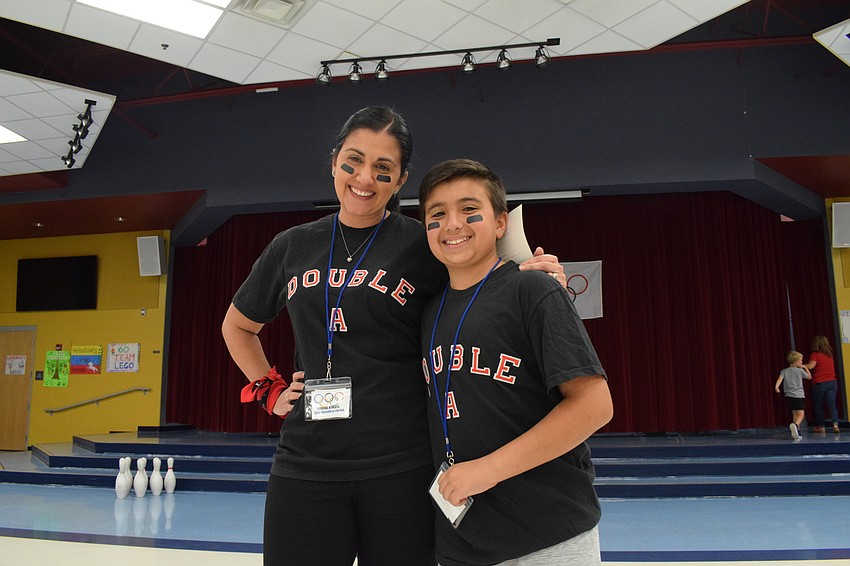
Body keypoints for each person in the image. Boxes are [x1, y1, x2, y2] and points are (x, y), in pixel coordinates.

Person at [221, 107, 566, 566]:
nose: (364, 177)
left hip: (401, 465)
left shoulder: (423, 241)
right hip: (306, 463)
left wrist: (540, 273)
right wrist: (269, 388)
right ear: (334, 162)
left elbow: (491, 272)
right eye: (353, 161)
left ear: (401, 179)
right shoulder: (292, 245)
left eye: (383, 169)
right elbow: (238, 326)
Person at [418, 159, 613, 565]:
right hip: (462, 542)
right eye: (438, 214)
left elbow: (594, 405)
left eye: (470, 210)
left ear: (501, 223)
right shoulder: (428, 310)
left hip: (547, 535)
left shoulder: (533, 289)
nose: (453, 223)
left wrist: (486, 470)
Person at [805, 335, 841, 433]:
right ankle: (835, 425)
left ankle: (821, 426)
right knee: (832, 405)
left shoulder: (815, 354)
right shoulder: (829, 354)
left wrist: (801, 365)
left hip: (819, 383)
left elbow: (811, 366)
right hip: (832, 382)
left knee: (818, 406)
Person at [775, 350, 812, 440]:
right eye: (801, 361)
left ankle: (796, 431)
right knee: (801, 414)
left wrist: (777, 387)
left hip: (788, 395)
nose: (802, 362)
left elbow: (780, 379)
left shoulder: (784, 371)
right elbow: (809, 377)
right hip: (798, 395)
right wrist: (805, 368)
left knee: (794, 413)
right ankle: (796, 425)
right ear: (796, 362)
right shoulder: (800, 371)